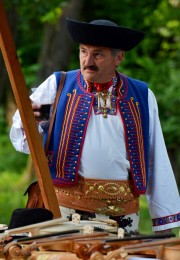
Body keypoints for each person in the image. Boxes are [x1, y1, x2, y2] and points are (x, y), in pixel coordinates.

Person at [10, 18, 180, 234]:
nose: (87, 61)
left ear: (118, 57)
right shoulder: (58, 85)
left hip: (123, 219)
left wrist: (164, 225)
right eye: (83, 51)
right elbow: (23, 142)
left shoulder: (142, 96)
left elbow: (157, 158)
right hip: (66, 214)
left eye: (98, 54)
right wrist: (30, 124)